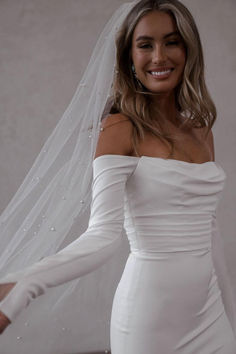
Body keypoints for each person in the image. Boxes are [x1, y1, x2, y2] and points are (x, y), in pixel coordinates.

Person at [0, 0, 236, 353]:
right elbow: (102, 235)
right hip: (149, 316)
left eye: (172, 42)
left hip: (210, 312)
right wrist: (21, 288)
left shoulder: (201, 130)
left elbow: (210, 231)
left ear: (189, 50)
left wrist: (231, 316)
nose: (159, 56)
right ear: (129, 57)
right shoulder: (120, 129)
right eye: (145, 45)